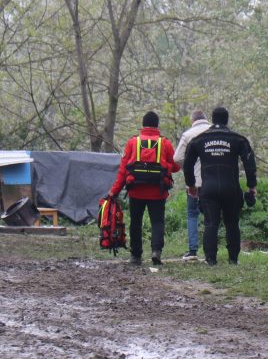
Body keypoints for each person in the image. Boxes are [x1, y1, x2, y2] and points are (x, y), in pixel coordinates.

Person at [183, 107, 257, 265]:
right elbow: (249, 163)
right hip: (231, 187)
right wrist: (251, 186)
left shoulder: (199, 140)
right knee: (232, 223)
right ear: (227, 120)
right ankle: (233, 259)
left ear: (212, 119)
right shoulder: (238, 139)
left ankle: (211, 259)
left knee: (210, 223)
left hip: (208, 188)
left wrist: (191, 185)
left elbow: (187, 164)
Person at [109, 111, 179, 266]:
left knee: (136, 222)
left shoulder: (133, 142)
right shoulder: (165, 143)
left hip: (136, 190)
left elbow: (123, 170)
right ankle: (156, 251)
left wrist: (114, 191)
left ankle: (135, 255)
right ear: (157, 125)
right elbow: (175, 167)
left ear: (143, 124)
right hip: (158, 191)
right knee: (157, 222)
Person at [173, 110, 212, 261]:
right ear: (205, 119)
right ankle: (210, 251)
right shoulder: (215, 132)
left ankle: (193, 250)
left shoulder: (188, 134)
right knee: (211, 215)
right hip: (213, 180)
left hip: (194, 182)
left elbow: (177, 158)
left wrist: (188, 167)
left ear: (193, 120)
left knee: (192, 214)